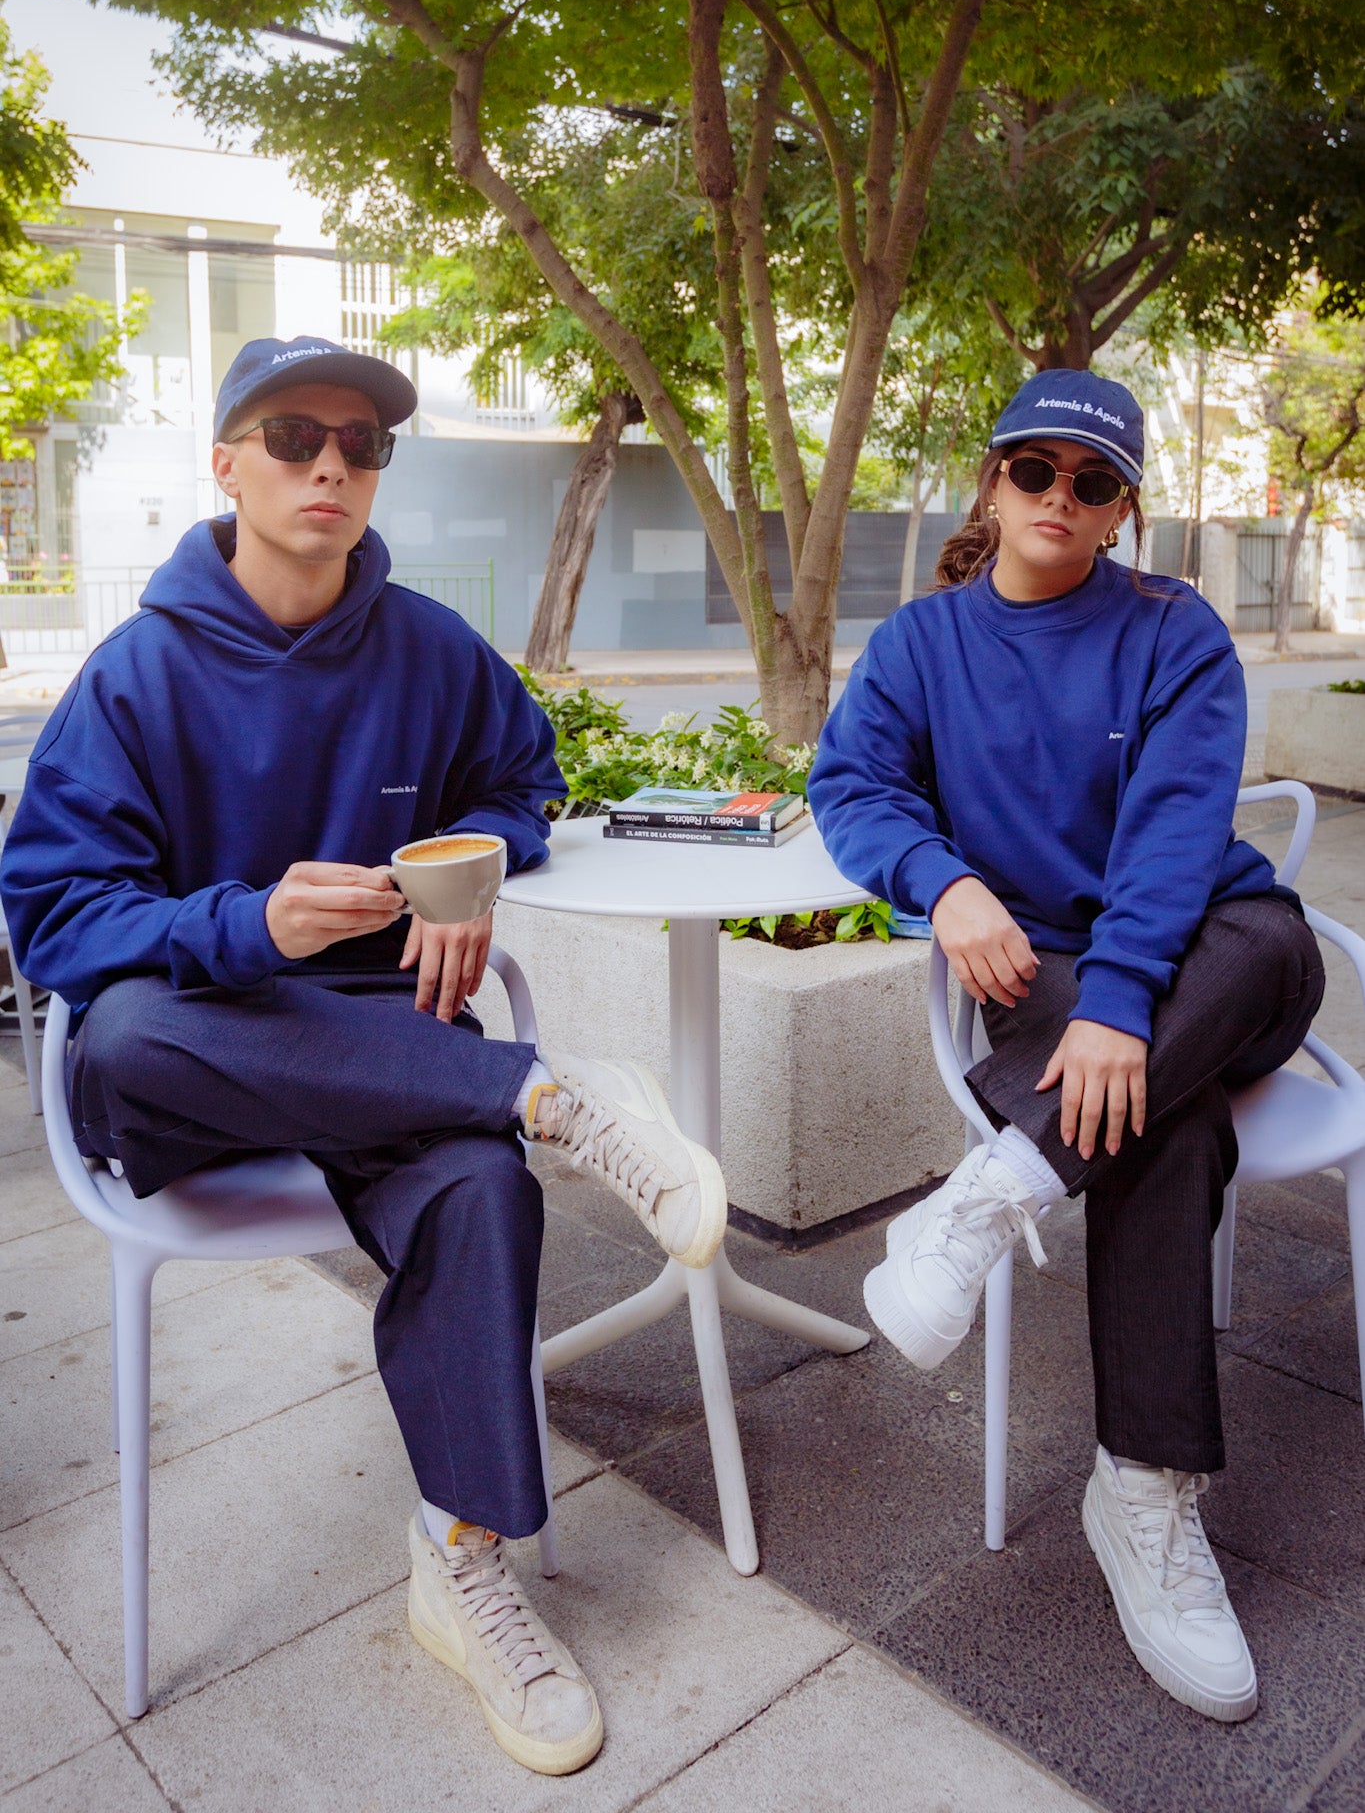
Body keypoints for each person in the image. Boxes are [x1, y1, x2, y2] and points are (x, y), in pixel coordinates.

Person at [1, 335, 727, 1778]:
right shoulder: (135, 675)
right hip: (198, 1063)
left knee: (481, 1188)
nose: (330, 464)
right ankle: (547, 1097)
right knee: (131, 1029)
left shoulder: (429, 648)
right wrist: (246, 922)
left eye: (362, 443)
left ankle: (461, 1561)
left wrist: (464, 873)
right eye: (293, 437)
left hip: (388, 1054)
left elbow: (525, 782)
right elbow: (54, 917)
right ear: (227, 464)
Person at [807, 367, 1324, 1725]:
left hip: (1198, 950)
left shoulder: (1172, 629)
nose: (1058, 496)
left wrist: (1121, 1004)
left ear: (1120, 511)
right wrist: (943, 882)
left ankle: (991, 1198)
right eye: (1034, 469)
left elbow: (1175, 830)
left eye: (1092, 482)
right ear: (992, 481)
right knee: (1165, 1124)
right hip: (1036, 963)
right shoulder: (922, 644)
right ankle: (1142, 1490)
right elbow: (850, 783)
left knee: (1273, 947)